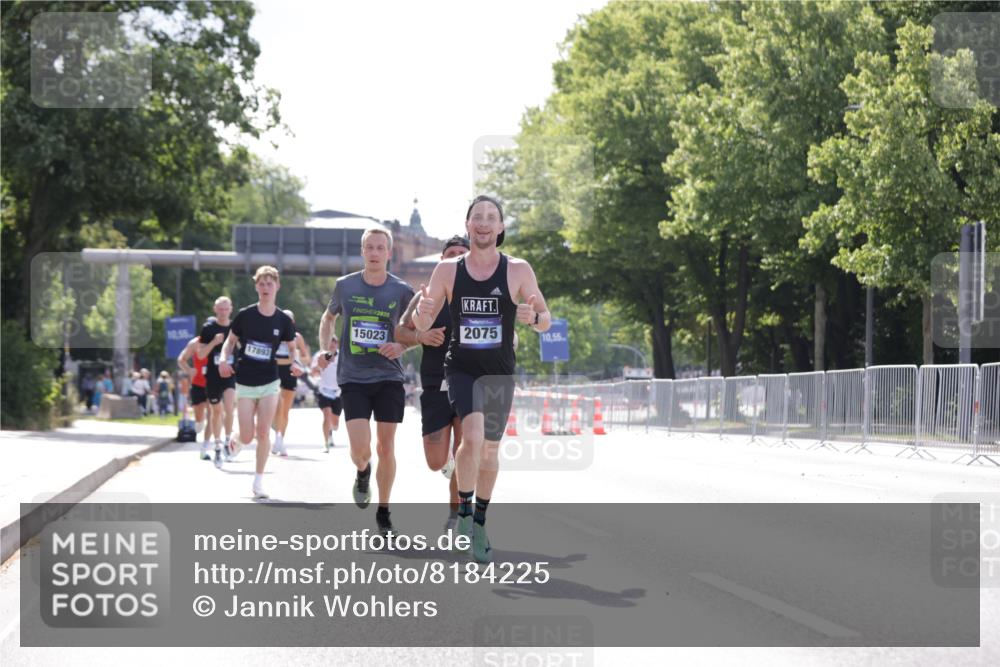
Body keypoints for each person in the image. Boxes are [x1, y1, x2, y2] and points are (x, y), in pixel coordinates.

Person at [413, 195, 551, 563]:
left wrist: (532, 318)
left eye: (492, 217)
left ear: (501, 227)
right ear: (468, 224)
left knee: (489, 450)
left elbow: (545, 319)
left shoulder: (518, 270)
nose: (484, 223)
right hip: (460, 367)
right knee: (471, 437)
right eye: (478, 217)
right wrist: (424, 315)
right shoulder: (447, 271)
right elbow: (423, 324)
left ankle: (479, 522)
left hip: (499, 372)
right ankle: (463, 511)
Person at [317, 227, 413, 537]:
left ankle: (384, 511)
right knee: (361, 450)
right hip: (353, 377)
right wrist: (324, 347)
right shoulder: (344, 286)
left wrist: (402, 345)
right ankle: (362, 471)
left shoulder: (401, 290)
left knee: (386, 447)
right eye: (369, 247)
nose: (374, 252)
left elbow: (416, 330)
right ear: (362, 252)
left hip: (389, 376)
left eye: (380, 248)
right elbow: (328, 317)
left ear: (389, 253)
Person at [397, 235, 470, 531]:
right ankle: (450, 469)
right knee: (436, 459)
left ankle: (458, 516)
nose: (455, 258)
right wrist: (420, 336)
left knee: (466, 451)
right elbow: (400, 331)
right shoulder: (426, 296)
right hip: (434, 383)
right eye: (450, 254)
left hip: (469, 383)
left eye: (460, 254)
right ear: (441, 261)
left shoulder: (481, 297)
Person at [218, 266, 298, 499]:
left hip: (270, 381)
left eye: (269, 284)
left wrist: (295, 363)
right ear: (256, 287)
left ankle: (258, 481)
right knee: (247, 435)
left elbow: (292, 349)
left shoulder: (283, 320)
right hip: (244, 381)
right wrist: (224, 359)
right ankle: (237, 441)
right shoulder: (245, 315)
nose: (265, 288)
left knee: (263, 433)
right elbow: (229, 343)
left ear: (277, 286)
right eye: (261, 284)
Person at [198, 303, 236, 468]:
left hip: (229, 374)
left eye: (226, 309)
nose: (223, 312)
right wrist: (214, 342)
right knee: (216, 411)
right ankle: (217, 443)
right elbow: (200, 354)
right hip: (213, 376)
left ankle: (228, 442)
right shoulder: (208, 329)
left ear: (230, 310)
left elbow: (241, 347)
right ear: (215, 310)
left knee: (229, 407)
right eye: (220, 309)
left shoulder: (235, 327)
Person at [272, 309, 311, 457]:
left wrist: (298, 361)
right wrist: (290, 360)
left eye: (289, 320)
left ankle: (279, 440)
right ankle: (276, 435)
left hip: (289, 374)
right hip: (273, 374)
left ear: (293, 322)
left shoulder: (297, 337)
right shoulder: (273, 333)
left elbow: (306, 358)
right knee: (274, 409)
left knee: (285, 410)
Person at [177, 336, 210, 459]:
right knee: (199, 417)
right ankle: (199, 423)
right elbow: (181, 359)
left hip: (213, 384)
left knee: (213, 413)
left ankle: (207, 444)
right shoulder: (195, 343)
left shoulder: (219, 340)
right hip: (197, 384)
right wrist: (189, 370)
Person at [311, 335, 342, 452]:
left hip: (338, 392)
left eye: (334, 342)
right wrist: (319, 367)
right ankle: (326, 443)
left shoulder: (342, 356)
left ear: (337, 345)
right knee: (327, 415)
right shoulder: (321, 355)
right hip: (324, 390)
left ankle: (330, 431)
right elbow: (313, 372)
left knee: (335, 424)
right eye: (330, 342)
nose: (332, 345)